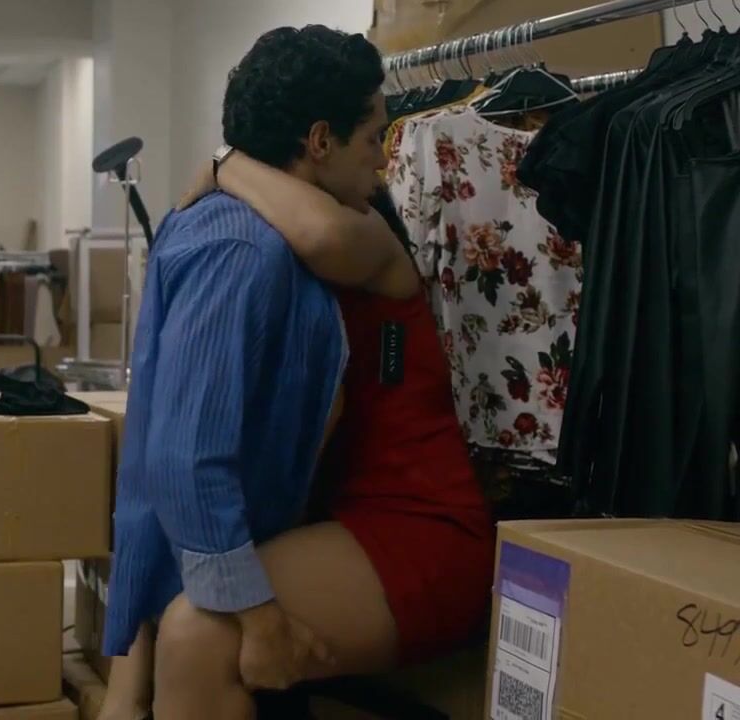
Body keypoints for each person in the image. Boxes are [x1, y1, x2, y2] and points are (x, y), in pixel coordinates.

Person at [99, 26, 494, 720]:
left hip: (418, 525)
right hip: (337, 519)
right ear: (319, 141)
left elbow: (320, 234)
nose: (383, 160)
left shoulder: (368, 232)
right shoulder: (241, 241)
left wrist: (226, 163)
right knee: (195, 604)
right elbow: (171, 447)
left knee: (199, 632)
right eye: (372, 137)